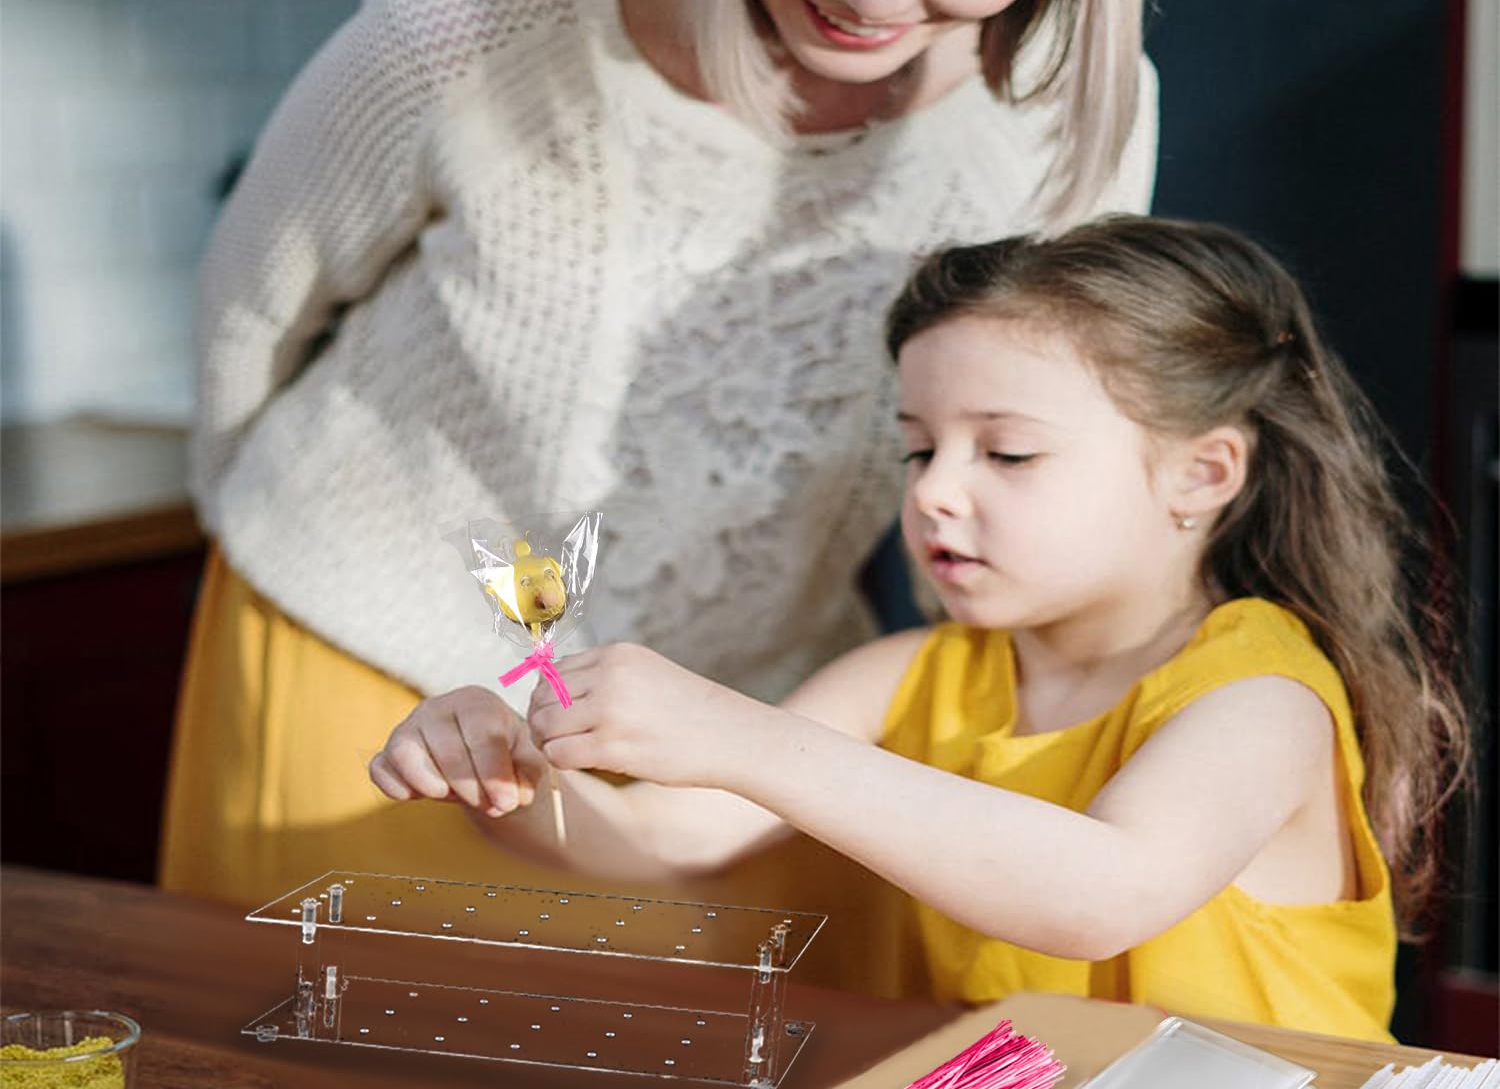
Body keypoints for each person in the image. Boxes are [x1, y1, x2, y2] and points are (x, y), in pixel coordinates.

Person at [161, 0, 1158, 997]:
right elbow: (252, 308)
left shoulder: (1072, 113)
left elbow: (1033, 445)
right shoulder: (466, 22)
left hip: (766, 724)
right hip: (383, 677)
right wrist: (247, 522)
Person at [371, 218, 1472, 1041]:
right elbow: (662, 842)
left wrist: (744, 737)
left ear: (1203, 472)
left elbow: (1100, 896)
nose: (937, 493)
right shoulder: (911, 675)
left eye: (1007, 453)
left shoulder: (1260, 700)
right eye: (918, 449)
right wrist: (513, 778)